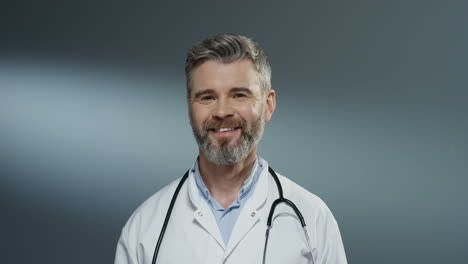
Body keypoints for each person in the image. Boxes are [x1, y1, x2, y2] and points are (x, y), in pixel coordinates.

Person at [114, 33, 347, 264]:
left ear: (268, 105)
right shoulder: (144, 229)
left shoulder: (312, 218)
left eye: (239, 95)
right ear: (189, 109)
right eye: (207, 97)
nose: (222, 111)